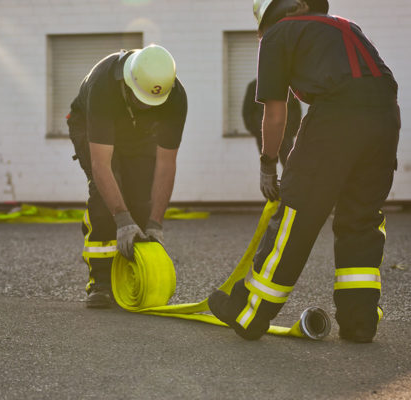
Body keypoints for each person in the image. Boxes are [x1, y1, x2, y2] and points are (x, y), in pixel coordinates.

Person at [209, 0, 400, 342]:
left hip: (335, 118)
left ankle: (249, 312)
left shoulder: (280, 34)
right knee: (361, 219)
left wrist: (268, 164)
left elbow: (276, 114)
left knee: (296, 216)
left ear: (279, 13)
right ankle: (359, 323)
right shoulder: (345, 26)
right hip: (385, 119)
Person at [67, 44, 187, 308]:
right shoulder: (104, 85)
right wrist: (122, 219)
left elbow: (166, 165)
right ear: (128, 82)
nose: (147, 106)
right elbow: (101, 165)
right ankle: (100, 282)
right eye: (141, 100)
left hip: (137, 131)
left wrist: (155, 222)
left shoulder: (175, 96)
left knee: (140, 195)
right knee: (105, 196)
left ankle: (132, 277)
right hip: (90, 124)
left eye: (152, 103)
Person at [242, 78, 301, 166]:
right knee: (268, 167)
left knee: (289, 166)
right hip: (264, 135)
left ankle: (287, 180)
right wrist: (257, 131)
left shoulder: (288, 86)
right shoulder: (254, 86)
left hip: (286, 135)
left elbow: (296, 110)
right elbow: (247, 112)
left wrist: (292, 130)